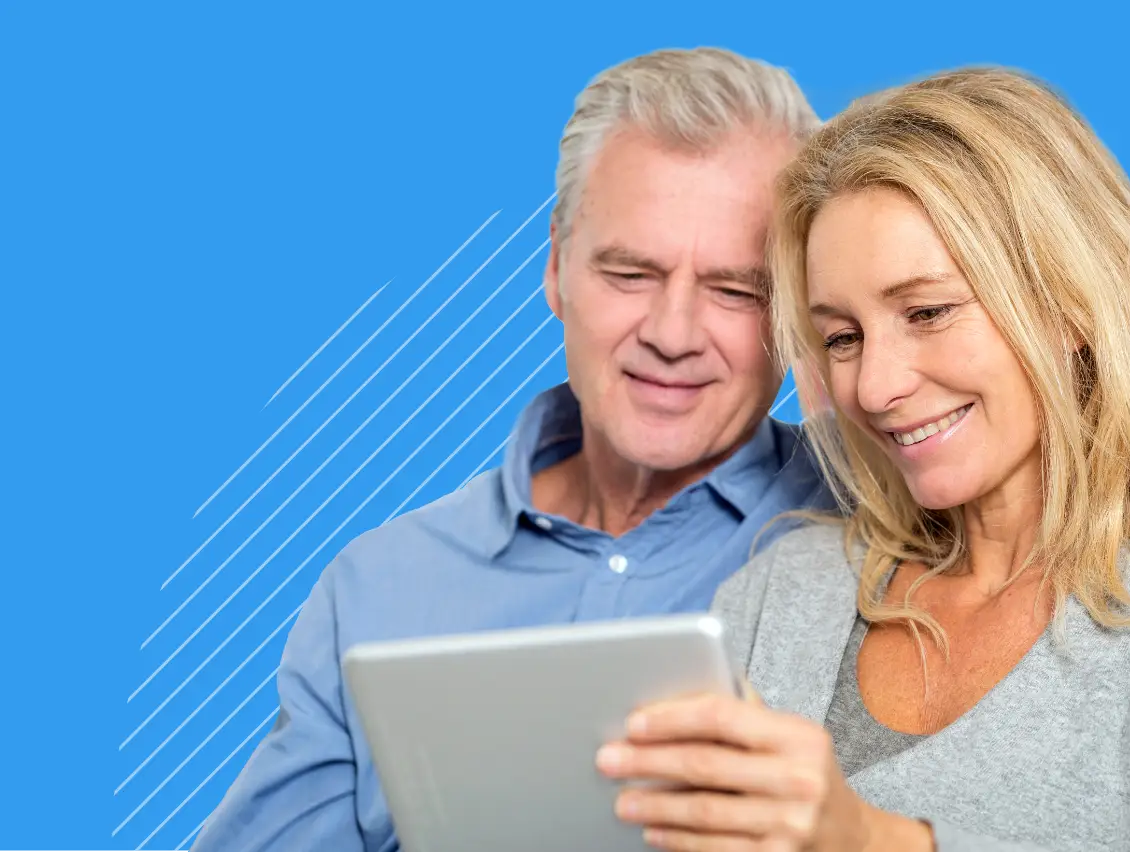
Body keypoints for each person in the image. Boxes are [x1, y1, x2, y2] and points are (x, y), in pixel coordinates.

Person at [594, 68, 1130, 851]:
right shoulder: (777, 596)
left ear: (1070, 306)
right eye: (842, 337)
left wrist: (879, 843)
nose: (876, 387)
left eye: (927, 312)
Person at [195, 47, 831, 851]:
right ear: (558, 267)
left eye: (737, 290)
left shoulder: (881, 540)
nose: (673, 336)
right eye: (630, 272)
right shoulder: (378, 586)